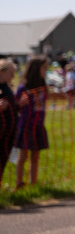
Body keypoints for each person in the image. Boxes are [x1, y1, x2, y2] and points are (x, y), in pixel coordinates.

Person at [14, 55, 49, 189]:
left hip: (38, 126)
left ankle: (33, 183)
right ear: (36, 69)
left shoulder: (42, 87)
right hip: (26, 126)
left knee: (35, 156)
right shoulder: (23, 88)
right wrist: (20, 104)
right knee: (23, 156)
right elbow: (15, 105)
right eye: (44, 68)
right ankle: (19, 182)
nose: (46, 70)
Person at [0, 58, 20, 189]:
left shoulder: (7, 87)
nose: (13, 76)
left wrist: (19, 105)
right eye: (11, 73)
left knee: (3, 160)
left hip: (9, 133)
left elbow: (13, 107)